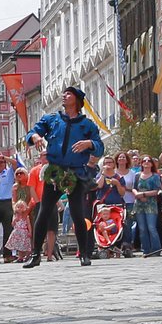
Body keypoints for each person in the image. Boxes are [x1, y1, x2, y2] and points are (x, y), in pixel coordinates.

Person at [23, 86, 104, 268]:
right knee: (44, 211)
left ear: (77, 100)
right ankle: (36, 254)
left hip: (75, 172)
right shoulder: (53, 119)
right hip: (55, 172)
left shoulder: (86, 125)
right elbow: (32, 132)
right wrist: (35, 137)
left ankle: (84, 254)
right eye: (64, 94)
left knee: (77, 212)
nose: (64, 96)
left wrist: (89, 143)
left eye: (68, 94)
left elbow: (99, 146)